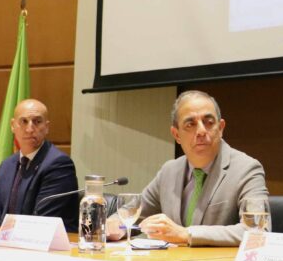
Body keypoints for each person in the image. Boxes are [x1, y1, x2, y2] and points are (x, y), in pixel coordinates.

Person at [107, 90, 267, 245]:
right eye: (191, 124)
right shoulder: (169, 171)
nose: (201, 131)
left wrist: (185, 234)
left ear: (220, 128)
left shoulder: (247, 170)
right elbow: (135, 212)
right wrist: (115, 224)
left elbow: (257, 230)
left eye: (209, 122)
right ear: (176, 135)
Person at [0, 99, 79, 231]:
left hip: (46, 242)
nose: (30, 129)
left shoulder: (59, 165)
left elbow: (40, 224)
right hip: (8, 241)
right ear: (12, 126)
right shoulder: (6, 166)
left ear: (46, 127)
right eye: (24, 121)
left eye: (37, 121)